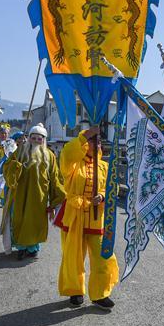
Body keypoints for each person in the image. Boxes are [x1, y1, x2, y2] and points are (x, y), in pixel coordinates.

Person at [55, 125, 119, 310]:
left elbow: (112, 189)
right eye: (92, 141)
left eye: (98, 142)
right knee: (73, 257)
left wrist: (103, 196)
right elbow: (67, 153)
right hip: (75, 216)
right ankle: (75, 291)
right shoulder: (72, 164)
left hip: (97, 219)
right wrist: (87, 134)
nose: (96, 144)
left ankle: (100, 294)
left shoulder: (105, 167)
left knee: (104, 257)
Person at [1, 124, 65, 260]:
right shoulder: (20, 151)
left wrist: (57, 198)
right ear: (29, 138)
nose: (36, 141)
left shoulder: (50, 156)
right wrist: (16, 166)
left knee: (35, 223)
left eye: (39, 139)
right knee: (19, 220)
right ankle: (21, 248)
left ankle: (33, 248)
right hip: (20, 195)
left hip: (39, 197)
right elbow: (7, 168)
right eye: (33, 138)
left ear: (44, 140)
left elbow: (55, 178)